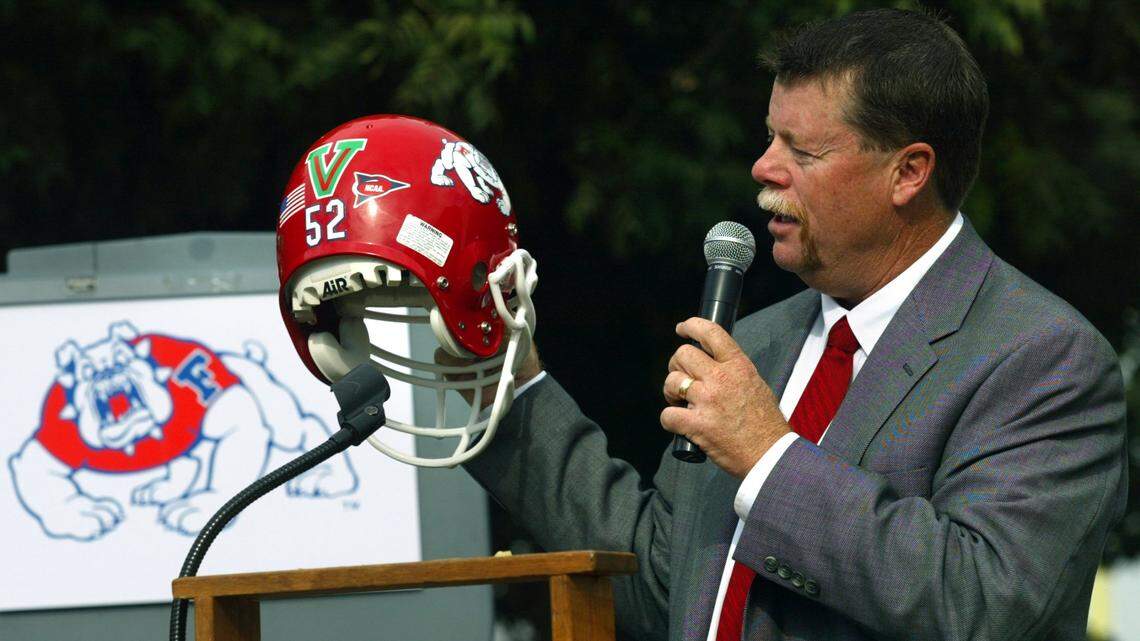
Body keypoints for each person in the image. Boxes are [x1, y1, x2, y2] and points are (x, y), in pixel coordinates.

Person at [462, 8, 1128, 641]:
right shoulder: (760, 342)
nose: (763, 166)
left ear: (909, 172)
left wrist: (768, 456)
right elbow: (667, 583)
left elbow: (983, 600)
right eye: (769, 134)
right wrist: (505, 383)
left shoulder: (1041, 357)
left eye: (802, 150)